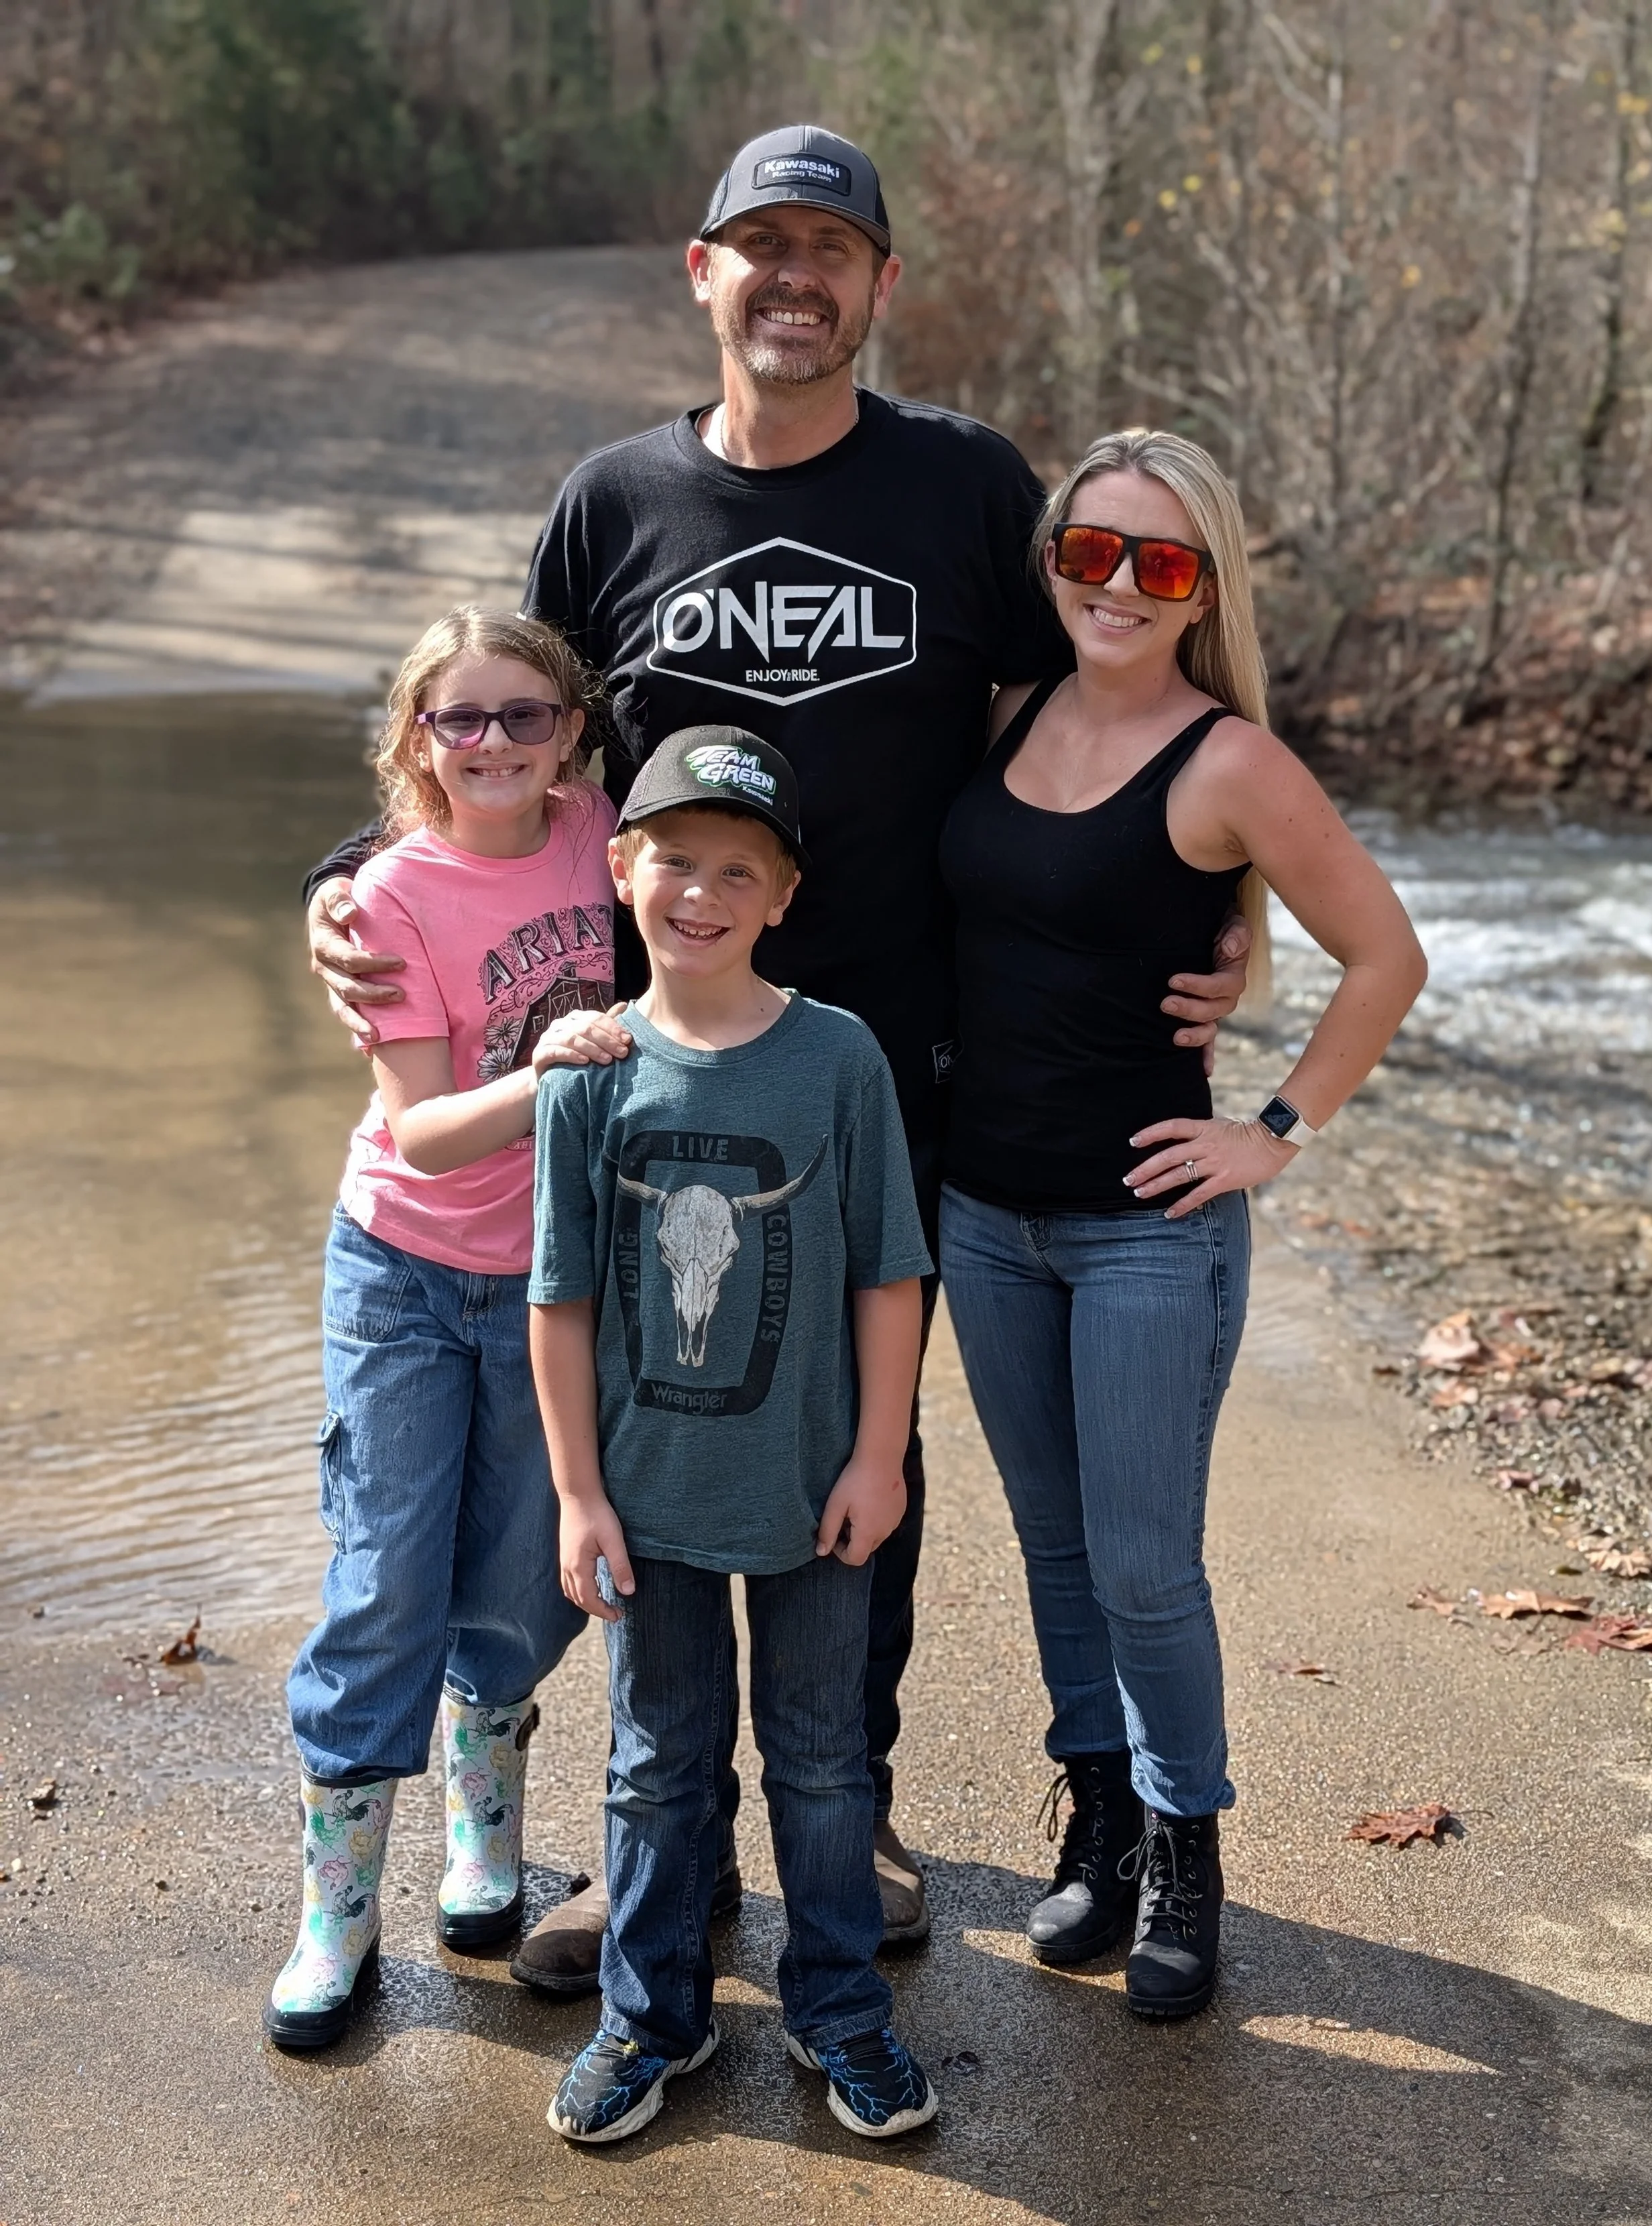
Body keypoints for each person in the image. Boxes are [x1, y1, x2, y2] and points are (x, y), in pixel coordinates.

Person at [300, 123, 1251, 1975]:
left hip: (889, 1065)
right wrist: (359, 874)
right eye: (762, 247)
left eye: (832, 247)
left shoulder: (969, 486)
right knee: (650, 1433)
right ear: (702, 274)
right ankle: (653, 1845)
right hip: (648, 1070)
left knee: (841, 1447)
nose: (794, 277)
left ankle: (848, 1804)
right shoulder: (610, 501)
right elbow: (502, 752)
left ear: (881, 284)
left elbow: (1103, 711)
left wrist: (1207, 915)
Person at [937, 429, 1429, 2017]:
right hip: (983, 1213)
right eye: (1089, 553)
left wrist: (1269, 1133)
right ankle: (1094, 1815)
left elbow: (1383, 958)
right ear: (1055, 563)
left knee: (1145, 1564)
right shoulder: (1005, 713)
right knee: (1053, 1546)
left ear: (1200, 585)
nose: (1117, 587)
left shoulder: (1229, 763)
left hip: (1143, 1229)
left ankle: (1183, 1850)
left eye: (1156, 563)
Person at [530, 727, 939, 2144]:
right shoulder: (588, 1070)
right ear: (621, 869)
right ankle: (653, 2014)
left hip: (815, 1486)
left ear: (782, 895)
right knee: (652, 1760)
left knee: (823, 1758)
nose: (699, 894)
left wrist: (879, 1452)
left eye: (735, 871)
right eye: (674, 862)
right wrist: (579, 1494)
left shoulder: (836, 1057)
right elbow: (560, 1298)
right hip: (647, 1498)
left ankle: (837, 2007)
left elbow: (891, 1268)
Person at [265, 606, 624, 2050]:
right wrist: (554, 1069)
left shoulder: (602, 830)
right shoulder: (393, 895)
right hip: (405, 1273)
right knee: (381, 1578)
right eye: (457, 719)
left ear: (570, 738)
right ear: (415, 739)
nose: (490, 742)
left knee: (521, 1581)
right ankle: (334, 1918)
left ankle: (485, 1839)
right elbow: (421, 1133)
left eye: (522, 717)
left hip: (556, 1273)